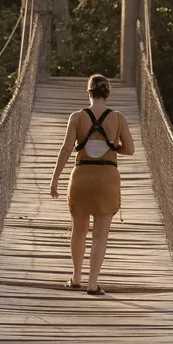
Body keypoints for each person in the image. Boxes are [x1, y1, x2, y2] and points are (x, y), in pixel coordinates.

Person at [49, 73, 134, 296]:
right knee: (100, 234)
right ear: (108, 93)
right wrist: (111, 147)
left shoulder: (77, 117)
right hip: (107, 177)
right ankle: (92, 284)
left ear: (89, 92)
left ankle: (76, 277)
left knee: (79, 230)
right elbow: (130, 150)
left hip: (81, 176)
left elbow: (67, 148)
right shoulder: (118, 118)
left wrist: (55, 178)